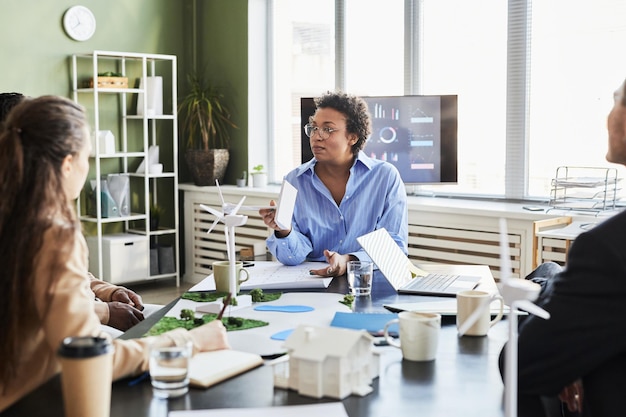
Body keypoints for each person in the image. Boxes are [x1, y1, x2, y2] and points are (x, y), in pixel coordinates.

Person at [0, 95, 230, 411]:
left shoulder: (18, 219)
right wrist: (188, 341)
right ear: (68, 163)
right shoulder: (52, 232)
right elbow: (91, 361)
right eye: (88, 158)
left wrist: (105, 292)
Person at [501, 79, 626, 416]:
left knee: (545, 278)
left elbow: (522, 361)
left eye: (616, 100)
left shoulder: (607, 249)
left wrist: (571, 362)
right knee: (549, 272)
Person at [0, 92, 154, 335]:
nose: (89, 166)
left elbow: (67, 278)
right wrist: (105, 312)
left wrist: (107, 291)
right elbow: (41, 311)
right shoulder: (42, 227)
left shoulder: (41, 210)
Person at [260, 91, 408, 277]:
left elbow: (394, 247)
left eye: (328, 129)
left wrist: (349, 261)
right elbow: (292, 258)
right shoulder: (294, 181)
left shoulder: (385, 177)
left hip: (366, 282)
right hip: (313, 283)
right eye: (314, 128)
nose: (316, 136)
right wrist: (284, 231)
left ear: (352, 137)